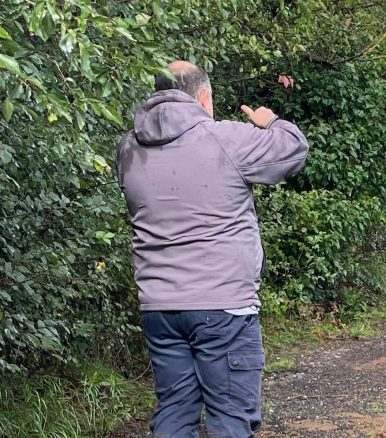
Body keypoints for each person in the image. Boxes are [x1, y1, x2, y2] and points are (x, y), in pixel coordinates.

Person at [116, 60, 309, 437]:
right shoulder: (225, 138)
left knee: (174, 411)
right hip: (224, 307)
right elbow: (292, 151)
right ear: (203, 97)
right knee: (230, 416)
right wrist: (271, 121)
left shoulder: (128, 149)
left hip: (159, 308)